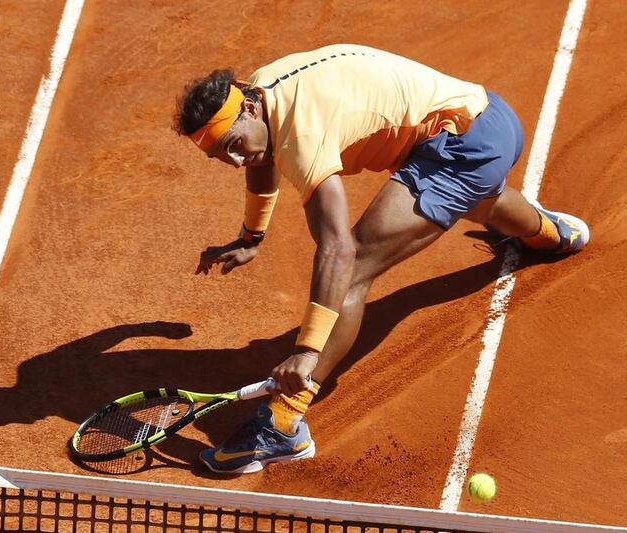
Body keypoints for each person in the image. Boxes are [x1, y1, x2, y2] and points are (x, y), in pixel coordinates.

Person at [172, 44, 589, 474]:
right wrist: (252, 233)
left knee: (351, 272)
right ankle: (552, 234)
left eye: (233, 145)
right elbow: (261, 154)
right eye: (221, 155)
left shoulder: (303, 137)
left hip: (463, 145)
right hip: (485, 119)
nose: (235, 160)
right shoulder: (257, 92)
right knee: (480, 198)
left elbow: (338, 251)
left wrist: (307, 351)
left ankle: (283, 426)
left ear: (250, 109)